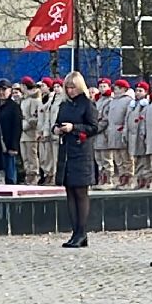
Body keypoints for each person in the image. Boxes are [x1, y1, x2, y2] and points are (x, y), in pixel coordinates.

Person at [52, 71, 100, 248]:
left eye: (73, 87)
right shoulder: (64, 104)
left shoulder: (87, 104)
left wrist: (74, 127)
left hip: (81, 151)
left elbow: (93, 127)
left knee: (80, 192)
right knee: (70, 192)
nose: (70, 91)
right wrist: (56, 129)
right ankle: (75, 232)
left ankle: (82, 232)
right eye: (68, 87)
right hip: (66, 150)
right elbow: (57, 122)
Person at [104, 79, 134, 187]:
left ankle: (128, 179)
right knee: (117, 158)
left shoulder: (128, 101)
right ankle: (121, 177)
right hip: (112, 131)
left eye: (117, 88)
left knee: (126, 158)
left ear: (123, 89)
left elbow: (128, 116)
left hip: (121, 131)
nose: (115, 90)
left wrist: (124, 129)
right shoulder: (113, 101)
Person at [0, 79, 23, 185]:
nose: (1, 92)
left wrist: (14, 147)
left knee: (10, 172)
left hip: (8, 143)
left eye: (4, 90)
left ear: (10, 91)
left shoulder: (14, 107)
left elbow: (17, 127)